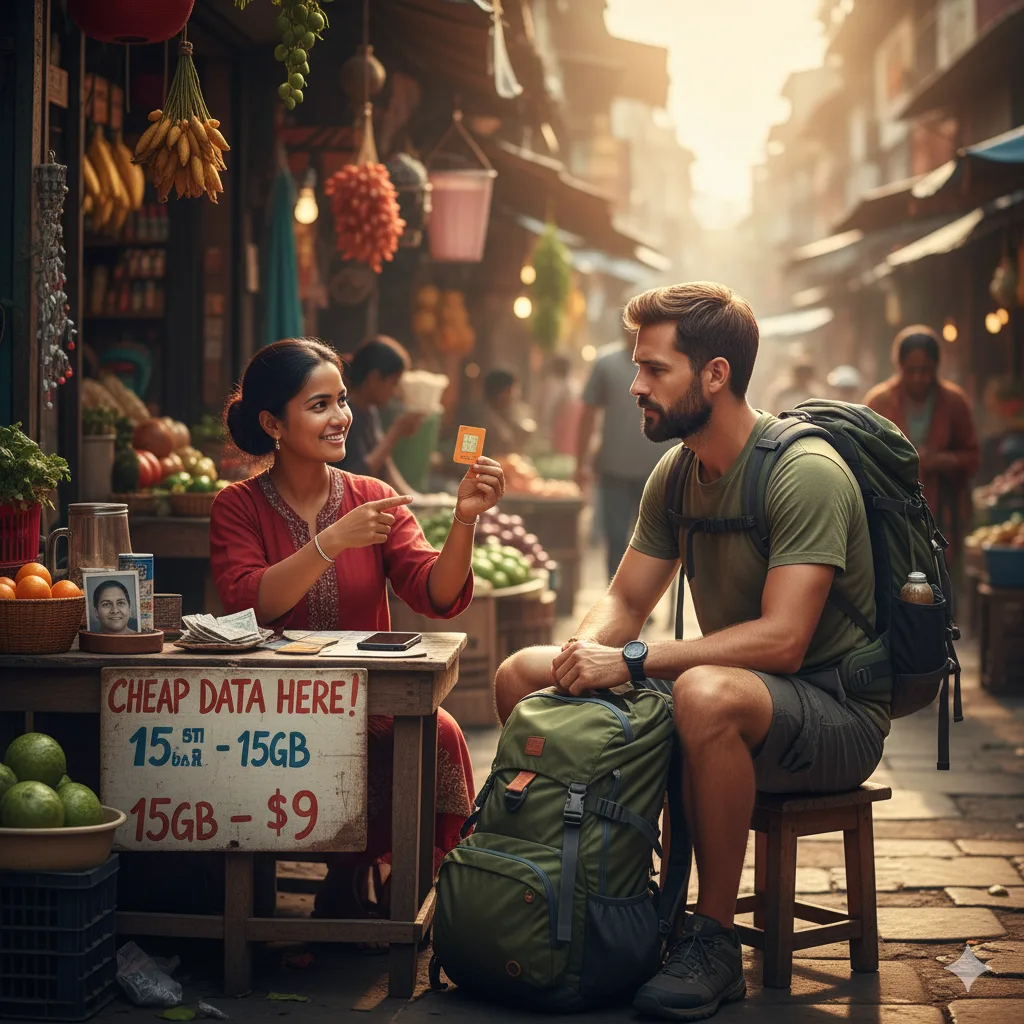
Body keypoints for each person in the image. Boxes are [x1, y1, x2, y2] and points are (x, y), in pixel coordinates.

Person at [494, 282, 889, 1021]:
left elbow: (783, 638)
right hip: (736, 691)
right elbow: (625, 600)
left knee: (703, 694)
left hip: (835, 711)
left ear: (715, 375)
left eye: (654, 370)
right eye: (637, 368)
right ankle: (574, 894)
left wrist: (636, 660)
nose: (636, 387)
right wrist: (586, 654)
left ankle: (709, 940)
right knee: (526, 673)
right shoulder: (677, 472)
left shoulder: (803, 471)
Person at [210, 337, 505, 920]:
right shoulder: (236, 506)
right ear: (272, 422)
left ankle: (399, 897)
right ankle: (337, 887)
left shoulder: (373, 497)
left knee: (437, 731)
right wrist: (330, 542)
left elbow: (436, 593)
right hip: (272, 707)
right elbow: (253, 601)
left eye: (341, 400)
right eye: (319, 405)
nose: (340, 416)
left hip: (370, 701)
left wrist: (465, 520)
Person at [864, 325, 979, 562]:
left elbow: (972, 457)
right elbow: (863, 455)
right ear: (900, 367)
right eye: (911, 370)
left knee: (941, 578)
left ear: (936, 367)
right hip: (891, 512)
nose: (918, 378)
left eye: (925, 370)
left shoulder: (954, 402)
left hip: (944, 513)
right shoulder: (879, 401)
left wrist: (939, 460)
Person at [577, 337, 677, 581]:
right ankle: (617, 596)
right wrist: (582, 462)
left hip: (659, 467)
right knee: (615, 535)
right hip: (615, 468)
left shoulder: (670, 361)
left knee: (653, 540)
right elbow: (588, 414)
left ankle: (644, 601)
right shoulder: (606, 363)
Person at [339, 336, 424, 493]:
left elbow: (385, 464)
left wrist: (414, 499)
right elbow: (357, 476)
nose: (395, 392)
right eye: (393, 384)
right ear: (374, 378)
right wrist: (394, 434)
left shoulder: (370, 412)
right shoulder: (346, 413)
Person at [478, 368, 532, 456]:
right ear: (500, 392)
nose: (516, 395)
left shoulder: (508, 415)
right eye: (512, 390)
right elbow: (466, 458)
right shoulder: (477, 420)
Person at [762, 352, 827, 413]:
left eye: (806, 374)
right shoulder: (780, 392)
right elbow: (771, 410)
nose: (803, 378)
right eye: (801, 373)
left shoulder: (815, 395)